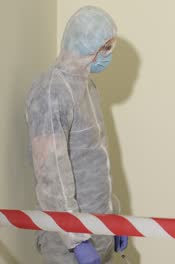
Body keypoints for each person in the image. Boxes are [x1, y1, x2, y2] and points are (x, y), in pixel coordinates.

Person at [25, 6, 128, 264]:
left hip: (100, 228)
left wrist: (114, 217)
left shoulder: (86, 87)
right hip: (68, 244)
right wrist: (77, 240)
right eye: (105, 48)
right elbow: (52, 175)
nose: (108, 55)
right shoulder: (51, 91)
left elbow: (94, 160)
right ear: (85, 45)